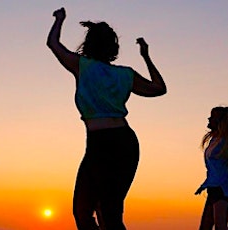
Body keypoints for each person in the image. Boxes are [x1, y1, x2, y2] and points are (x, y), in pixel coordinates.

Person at [47, 7, 167, 230]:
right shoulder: (125, 74)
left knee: (91, 212)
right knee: (102, 212)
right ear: (113, 47)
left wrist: (59, 19)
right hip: (122, 142)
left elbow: (53, 44)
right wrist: (146, 57)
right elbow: (159, 88)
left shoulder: (82, 66)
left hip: (105, 144)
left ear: (88, 44)